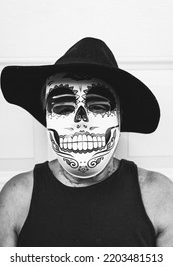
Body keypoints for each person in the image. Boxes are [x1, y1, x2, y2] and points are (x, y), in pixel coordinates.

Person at [0, 37, 173, 247]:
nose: (80, 121)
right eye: (63, 108)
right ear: (46, 115)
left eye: (98, 106)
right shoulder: (17, 197)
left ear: (119, 116)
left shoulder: (159, 195)